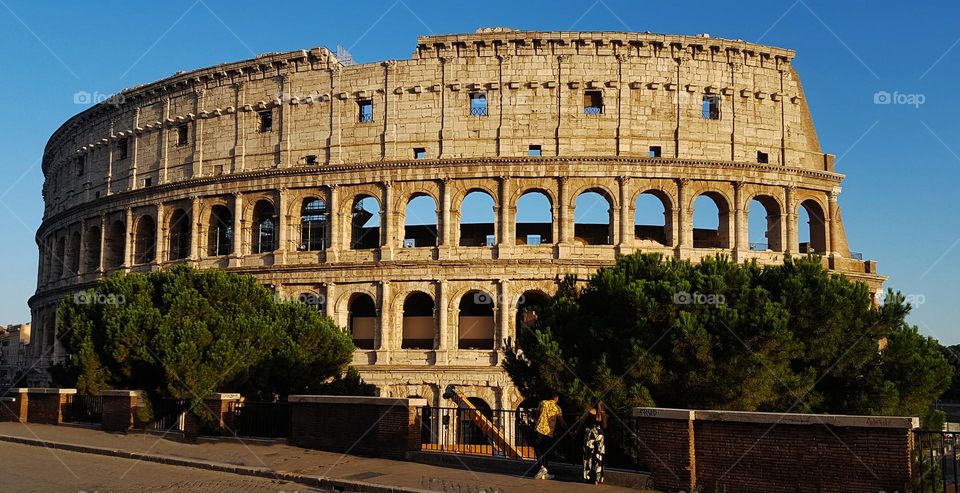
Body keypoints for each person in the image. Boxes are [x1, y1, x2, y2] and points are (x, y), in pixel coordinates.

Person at [533, 392, 566, 480]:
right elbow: (561, 421)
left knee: (537, 449)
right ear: (557, 398)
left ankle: (542, 468)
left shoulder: (542, 403)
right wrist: (568, 429)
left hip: (539, 429)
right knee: (546, 451)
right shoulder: (557, 408)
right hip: (549, 432)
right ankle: (545, 471)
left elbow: (537, 414)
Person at [581, 401, 607, 484]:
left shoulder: (589, 411)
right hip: (599, 434)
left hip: (590, 434)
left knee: (588, 456)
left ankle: (587, 476)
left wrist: (576, 431)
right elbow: (605, 426)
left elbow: (581, 422)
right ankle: (598, 477)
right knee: (599, 455)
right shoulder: (602, 413)